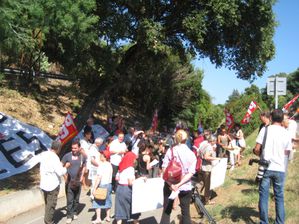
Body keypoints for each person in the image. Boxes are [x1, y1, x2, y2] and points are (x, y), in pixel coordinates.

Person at [253, 109, 292, 224]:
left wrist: (258, 154)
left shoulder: (265, 130)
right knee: (279, 197)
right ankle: (280, 222)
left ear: (271, 117)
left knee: (264, 196)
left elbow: (256, 149)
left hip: (266, 168)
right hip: (280, 169)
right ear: (282, 119)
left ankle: (264, 222)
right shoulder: (286, 133)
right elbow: (287, 153)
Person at [160, 129, 197, 224]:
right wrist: (180, 184)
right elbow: (191, 173)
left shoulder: (171, 151)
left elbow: (164, 168)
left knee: (166, 212)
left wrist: (171, 184)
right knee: (185, 213)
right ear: (187, 139)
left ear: (176, 139)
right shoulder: (191, 154)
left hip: (170, 184)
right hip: (185, 185)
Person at [40, 140, 70, 224]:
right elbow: (60, 172)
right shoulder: (55, 157)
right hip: (52, 184)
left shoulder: (44, 154)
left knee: (47, 203)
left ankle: (47, 218)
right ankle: (49, 221)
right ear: (59, 148)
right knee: (51, 204)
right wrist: (66, 167)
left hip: (44, 183)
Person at [62, 140, 87, 224]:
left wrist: (82, 176)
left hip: (78, 181)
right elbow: (61, 166)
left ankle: (75, 212)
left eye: (75, 148)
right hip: (69, 182)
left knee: (76, 199)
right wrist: (65, 177)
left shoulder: (82, 156)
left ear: (79, 148)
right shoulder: (67, 156)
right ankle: (69, 216)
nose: (73, 149)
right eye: (72, 148)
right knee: (70, 200)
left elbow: (84, 166)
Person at [114, 151, 141, 224]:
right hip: (127, 189)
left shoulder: (121, 167)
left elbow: (117, 179)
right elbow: (130, 182)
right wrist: (139, 180)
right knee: (134, 208)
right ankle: (136, 222)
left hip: (119, 188)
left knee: (119, 209)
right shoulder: (130, 168)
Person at [91, 149, 113, 224]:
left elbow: (99, 177)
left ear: (104, 157)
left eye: (101, 155)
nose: (100, 156)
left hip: (102, 185)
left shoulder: (101, 165)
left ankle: (98, 218)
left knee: (97, 202)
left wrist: (94, 188)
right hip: (109, 184)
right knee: (108, 200)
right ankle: (108, 217)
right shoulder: (110, 164)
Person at [198, 135, 220, 204]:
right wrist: (216, 159)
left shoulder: (204, 144)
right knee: (208, 185)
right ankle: (206, 201)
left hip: (202, 166)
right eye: (215, 141)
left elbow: (199, 154)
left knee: (203, 184)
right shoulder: (209, 147)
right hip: (207, 168)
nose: (215, 142)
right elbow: (206, 157)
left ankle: (199, 196)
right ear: (212, 141)